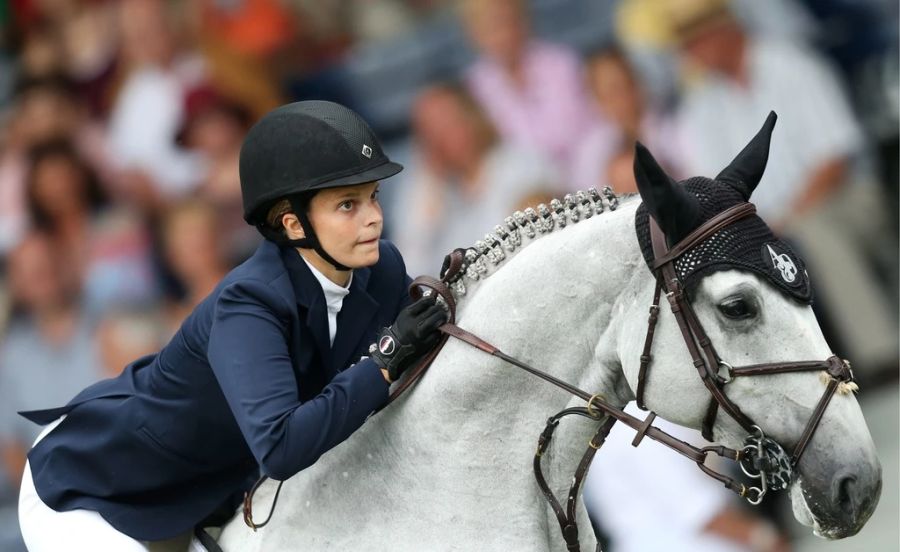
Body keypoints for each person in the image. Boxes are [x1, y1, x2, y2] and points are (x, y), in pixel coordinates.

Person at [16, 100, 448, 550]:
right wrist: (384, 361)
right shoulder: (249, 305)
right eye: (347, 205)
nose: (374, 216)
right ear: (293, 224)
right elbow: (282, 446)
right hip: (91, 484)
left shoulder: (382, 269)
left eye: (373, 196)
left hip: (206, 488)